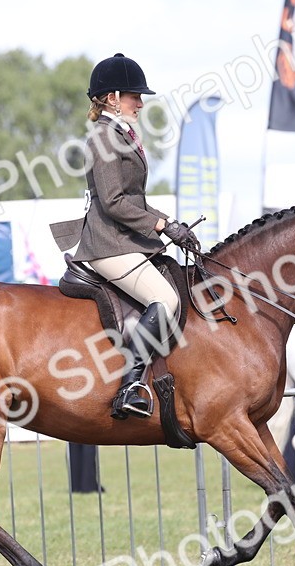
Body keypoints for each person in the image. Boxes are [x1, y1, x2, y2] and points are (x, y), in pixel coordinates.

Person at [59, 53, 199, 419]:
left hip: (126, 240)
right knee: (165, 299)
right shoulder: (104, 138)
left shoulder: (121, 135)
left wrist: (170, 223)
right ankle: (129, 385)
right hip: (108, 244)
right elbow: (114, 202)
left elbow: (136, 200)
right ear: (112, 97)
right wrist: (162, 226)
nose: (140, 102)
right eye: (135, 95)